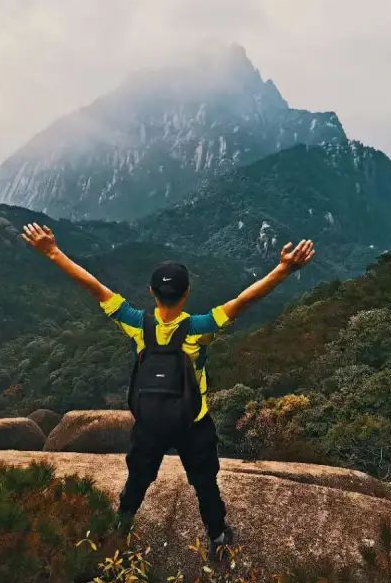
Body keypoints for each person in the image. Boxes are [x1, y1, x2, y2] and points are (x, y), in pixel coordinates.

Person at [20, 222, 315, 558]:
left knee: (138, 480)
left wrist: (52, 252)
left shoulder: (137, 324)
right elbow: (245, 300)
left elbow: (94, 286)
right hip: (194, 422)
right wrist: (285, 268)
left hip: (150, 423)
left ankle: (120, 532)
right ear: (187, 293)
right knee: (205, 484)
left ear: (151, 292)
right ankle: (217, 537)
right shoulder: (199, 329)